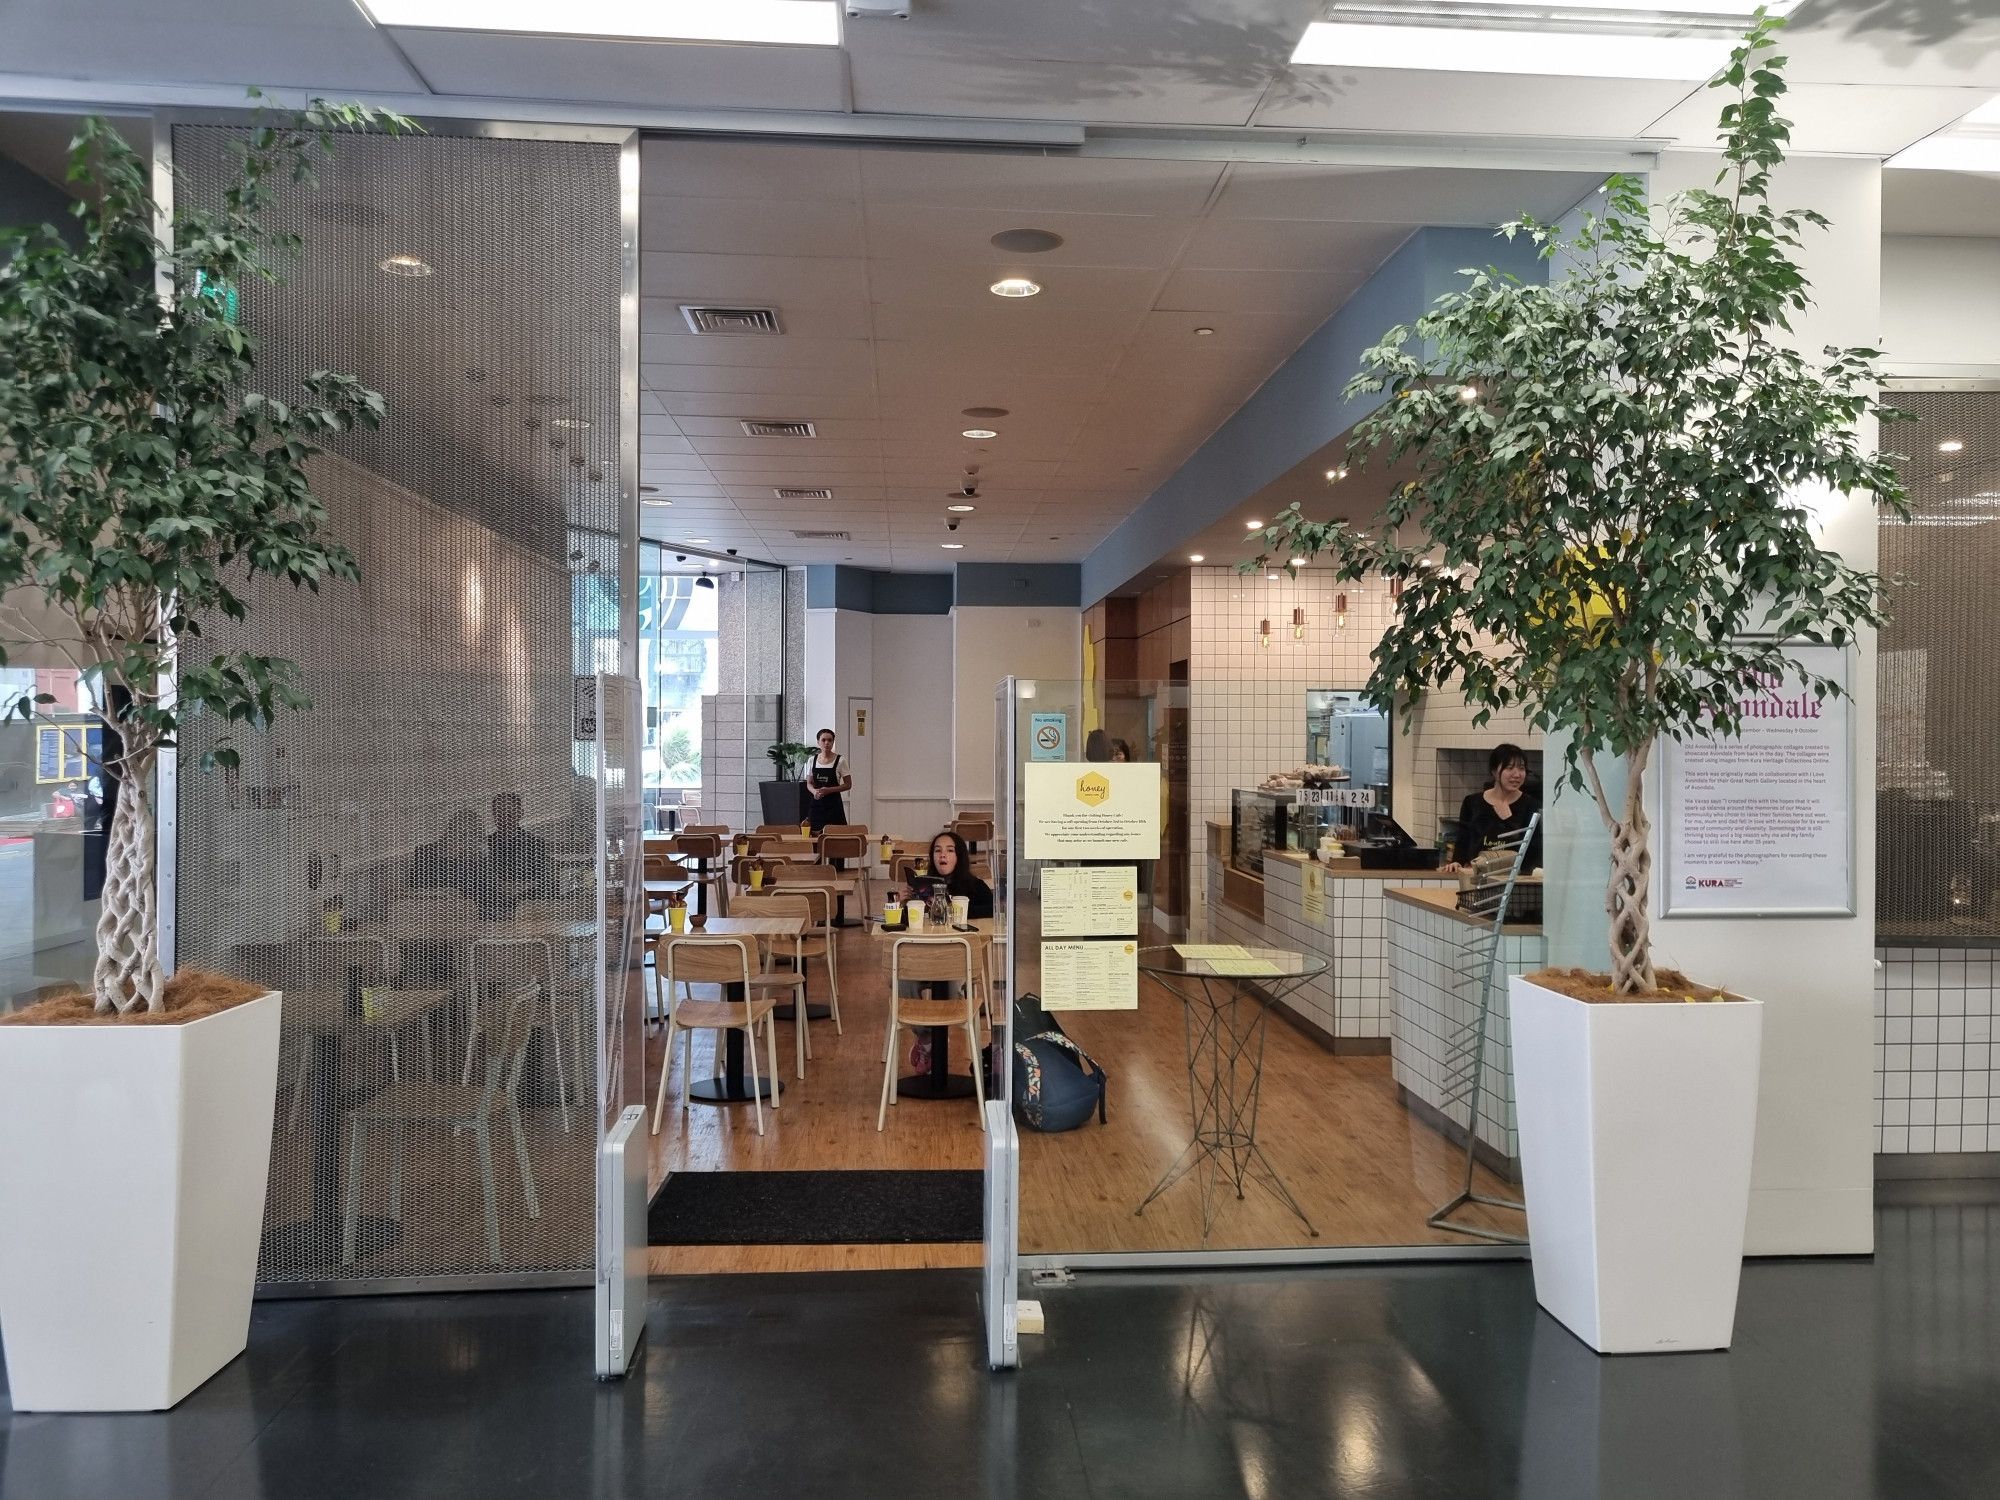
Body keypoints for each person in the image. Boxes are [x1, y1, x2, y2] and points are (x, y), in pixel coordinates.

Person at [892, 829, 994, 1072]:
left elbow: (991, 909)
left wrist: (954, 910)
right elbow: (903, 923)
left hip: (955, 961)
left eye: (949, 850)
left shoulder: (974, 886)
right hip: (922, 958)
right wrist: (903, 902)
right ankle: (927, 1038)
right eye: (937, 851)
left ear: (959, 857)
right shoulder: (920, 886)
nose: (943, 855)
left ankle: (934, 1040)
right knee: (904, 982)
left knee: (950, 987)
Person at [1450, 743, 1543, 872]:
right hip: (1476, 876)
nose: (1517, 775)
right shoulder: (1472, 802)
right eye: (1509, 768)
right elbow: (1462, 841)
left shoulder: (1532, 806)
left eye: (1521, 768)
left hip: (1514, 879)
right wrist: (1456, 863)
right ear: (1494, 771)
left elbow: (1534, 852)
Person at [410, 807, 505, 916]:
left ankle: (494, 910)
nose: (469, 838)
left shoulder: (478, 856)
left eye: (473, 834)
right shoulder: (429, 853)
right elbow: (418, 881)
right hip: (441, 890)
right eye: (464, 832)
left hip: (470, 897)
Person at [489, 791, 553, 896]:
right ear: (494, 815)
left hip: (528, 901)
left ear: (520, 814)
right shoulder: (487, 843)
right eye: (499, 814)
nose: (504, 819)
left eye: (509, 814)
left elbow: (541, 880)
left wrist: (512, 888)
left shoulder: (535, 843)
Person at [803, 727, 852, 834]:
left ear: (833, 742)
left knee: (837, 836)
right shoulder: (812, 760)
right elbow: (809, 783)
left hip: (834, 805)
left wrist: (828, 790)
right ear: (818, 742)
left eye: (830, 740)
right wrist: (814, 791)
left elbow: (848, 785)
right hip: (817, 805)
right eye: (823, 740)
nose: (827, 743)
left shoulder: (840, 761)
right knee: (814, 836)